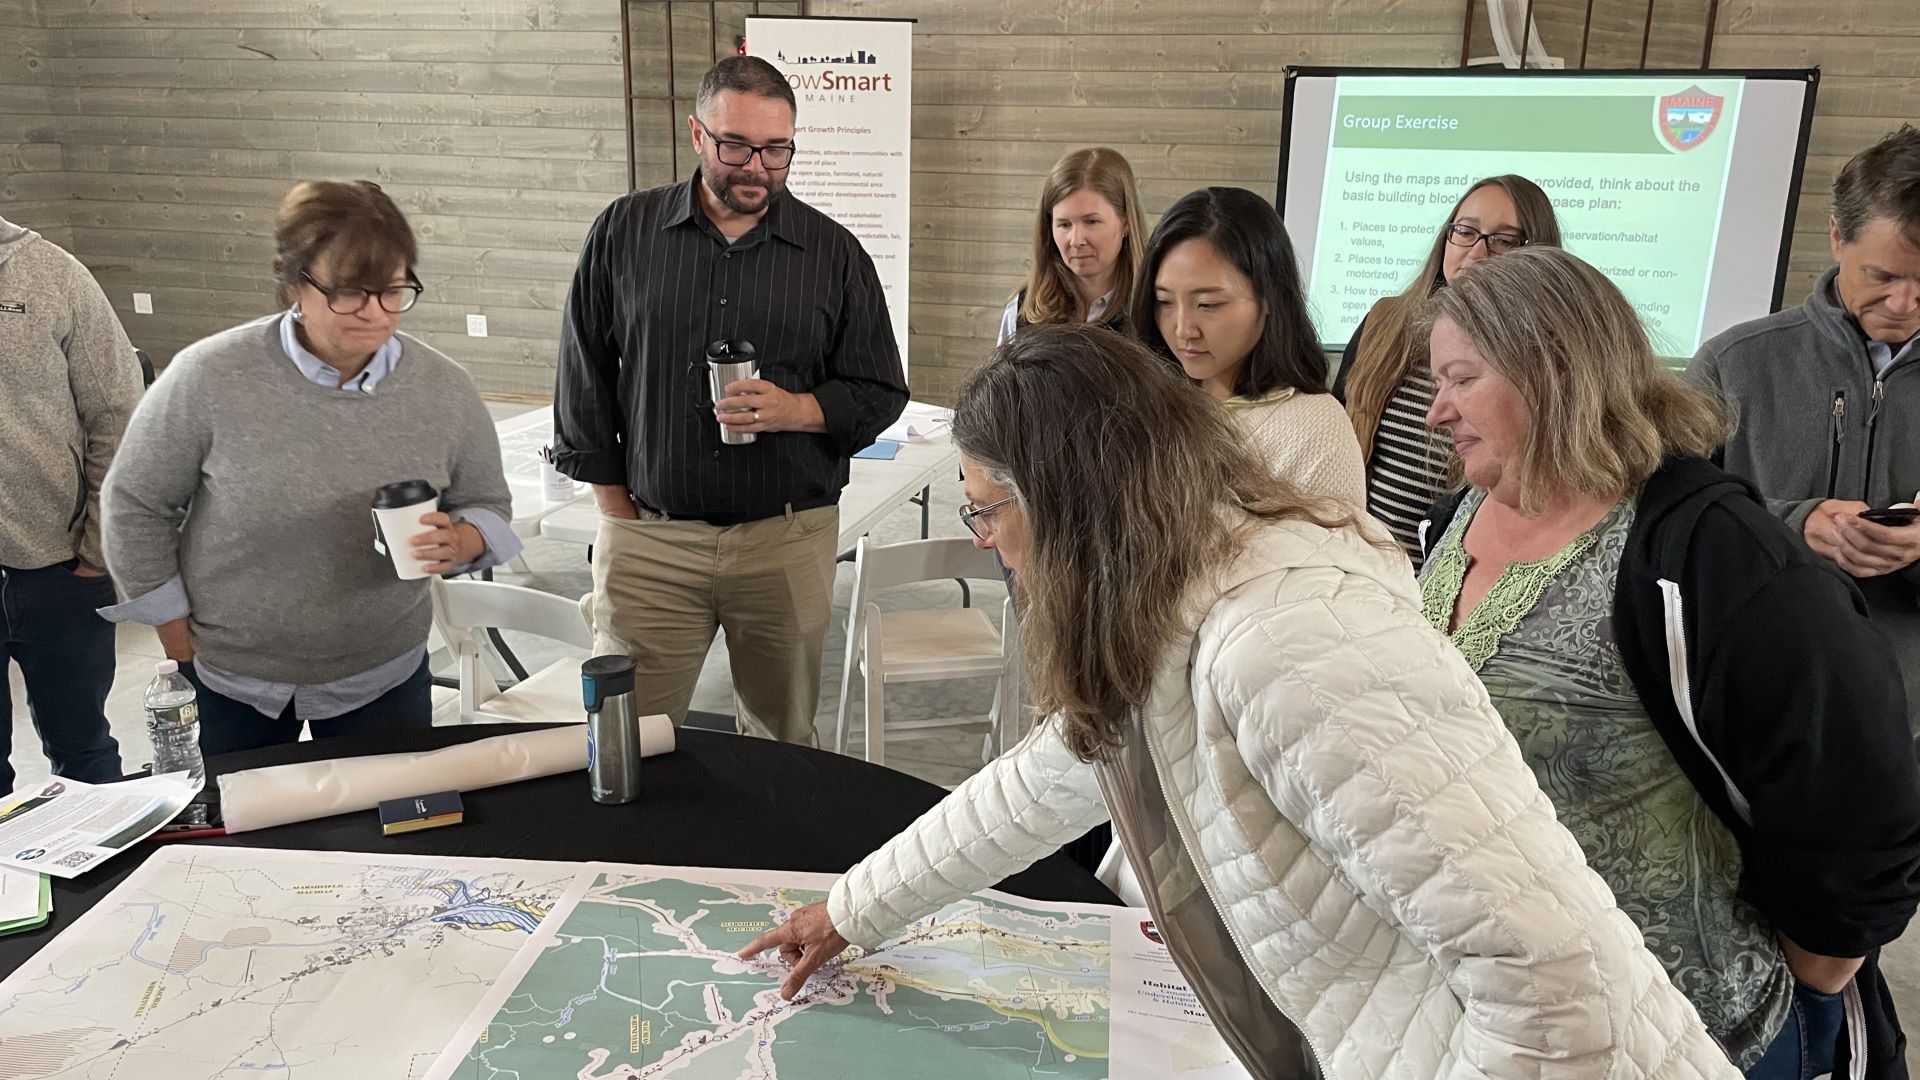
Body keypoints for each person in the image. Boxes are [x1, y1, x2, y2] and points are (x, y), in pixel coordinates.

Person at [737, 323, 1741, 1080]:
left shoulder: (1286, 645)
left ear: (1070, 504)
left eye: (989, 509)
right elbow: (1046, 780)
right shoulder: (1178, 593)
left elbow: (1550, 988)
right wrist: (852, 908)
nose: (986, 539)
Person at [1416, 246, 1920, 1079]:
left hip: (1688, 1034)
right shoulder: (1452, 524)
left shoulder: (1709, 557)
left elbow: (1862, 793)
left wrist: (1814, 974)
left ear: (1556, 372)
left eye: (1462, 380)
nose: (1438, 413)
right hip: (1508, 1019)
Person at [552, 56, 907, 745]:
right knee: (627, 740)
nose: (757, 167)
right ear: (696, 135)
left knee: (782, 744)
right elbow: (583, 375)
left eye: (778, 150)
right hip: (651, 540)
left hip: (786, 541)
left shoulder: (833, 253)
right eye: (736, 145)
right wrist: (617, 511)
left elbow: (881, 389)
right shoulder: (624, 232)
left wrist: (796, 410)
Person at [100, 180, 520, 755]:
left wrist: (465, 539)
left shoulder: (445, 388)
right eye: (349, 291)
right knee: (238, 835)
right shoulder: (209, 376)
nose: (375, 313)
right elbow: (135, 504)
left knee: (386, 833)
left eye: (393, 290)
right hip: (228, 677)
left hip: (383, 671)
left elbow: (488, 504)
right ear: (295, 286)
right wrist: (176, 637)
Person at [1690, 125, 1920, 735]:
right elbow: (1653, 525)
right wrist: (1792, 525)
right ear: (1838, 236)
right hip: (1749, 707)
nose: (1905, 303)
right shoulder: (1732, 362)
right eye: (1883, 276)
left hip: (1909, 722)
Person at [1334, 175, 1560, 567]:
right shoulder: (1384, 323)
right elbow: (1335, 436)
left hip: (1451, 583)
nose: (1477, 252)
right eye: (1465, 231)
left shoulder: (1543, 362)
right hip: (1356, 572)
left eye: (1504, 240)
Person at [0, 213, 141, 792]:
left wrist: (99, 547)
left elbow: (120, 415)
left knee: (83, 752)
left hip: (60, 571)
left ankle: (103, 883)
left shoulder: (52, 275)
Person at [1131, 186, 1364, 507]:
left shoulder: (1317, 431)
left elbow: (1338, 553)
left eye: (1209, 304)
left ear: (1269, 299)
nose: (1183, 329)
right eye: (1164, 301)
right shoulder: (1147, 399)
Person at [995, 147, 1145, 345]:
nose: (1076, 240)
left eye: (1091, 222)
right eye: (1064, 225)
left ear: (1126, 222)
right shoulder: (1022, 309)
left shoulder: (1154, 309)